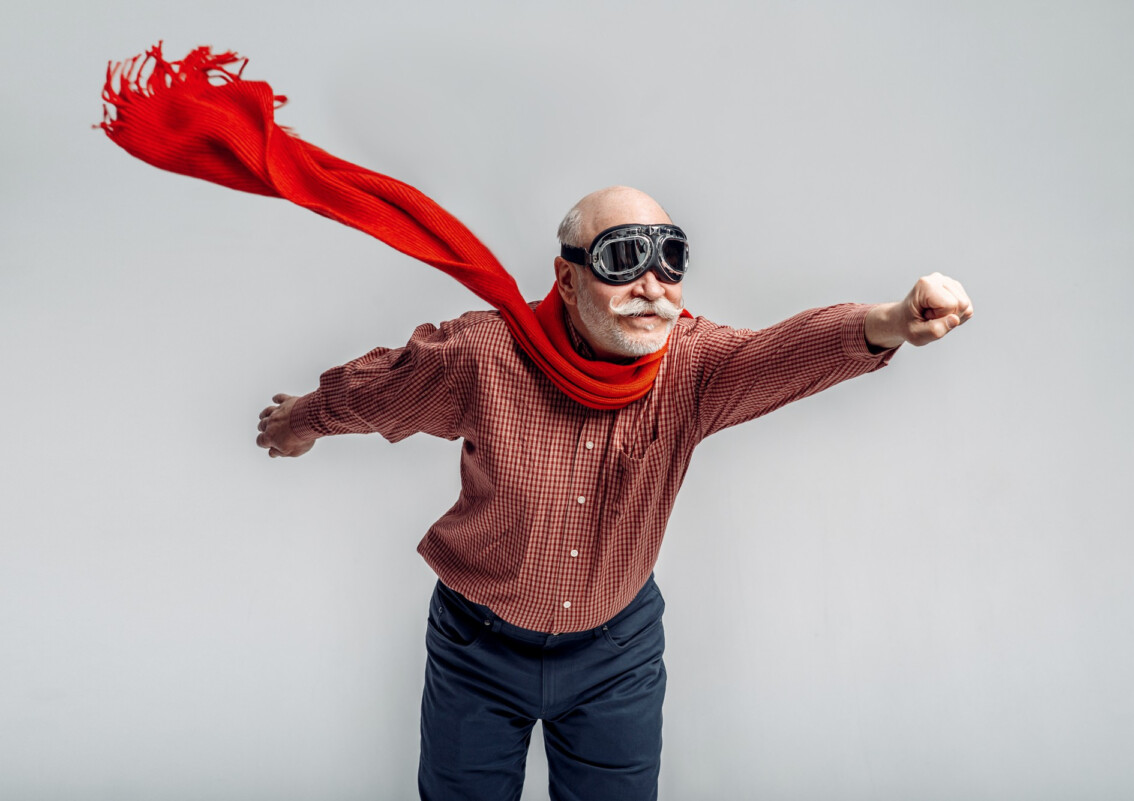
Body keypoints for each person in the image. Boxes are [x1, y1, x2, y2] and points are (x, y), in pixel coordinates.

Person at [255, 186, 973, 800]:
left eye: (670, 261)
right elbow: (386, 384)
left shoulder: (694, 367)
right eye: (623, 260)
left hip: (615, 655)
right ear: (567, 280)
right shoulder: (486, 356)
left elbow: (782, 352)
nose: (652, 286)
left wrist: (892, 322)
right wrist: (300, 421)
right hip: (479, 646)